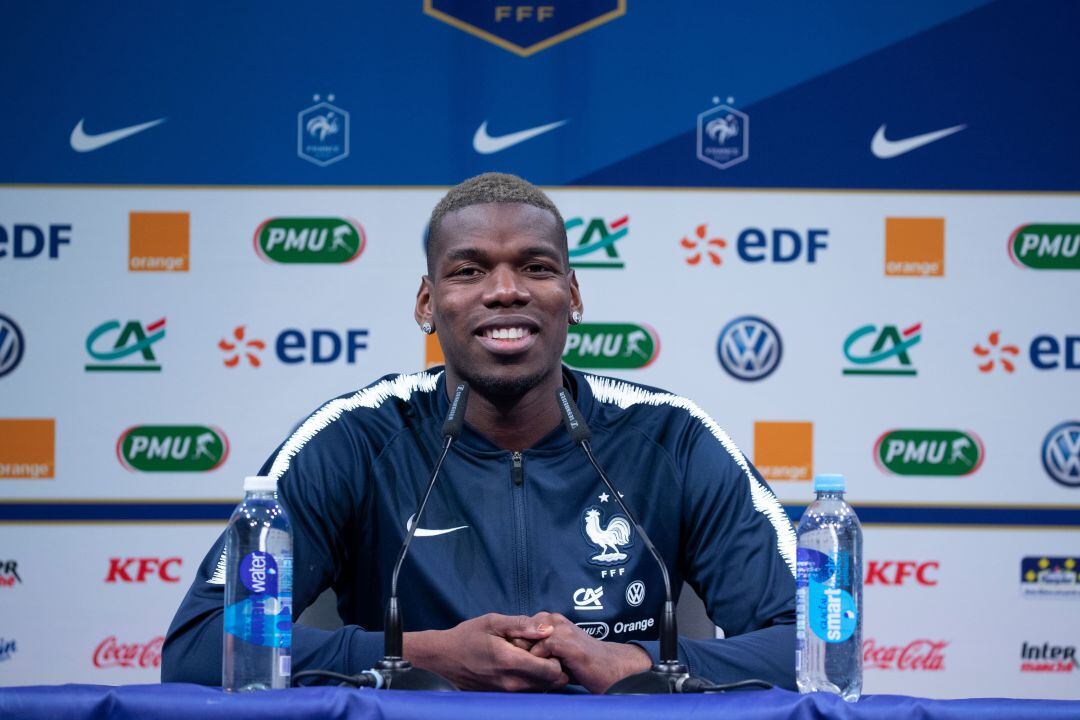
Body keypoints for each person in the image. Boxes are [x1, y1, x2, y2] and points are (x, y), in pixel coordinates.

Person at [162, 173, 797, 693]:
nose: (504, 291)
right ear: (426, 303)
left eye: (536, 267)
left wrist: (642, 666)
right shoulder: (352, 438)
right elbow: (201, 642)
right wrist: (414, 657)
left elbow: (816, 646)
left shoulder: (672, 437)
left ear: (572, 295)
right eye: (468, 271)